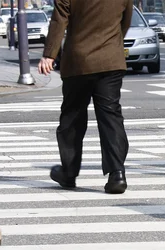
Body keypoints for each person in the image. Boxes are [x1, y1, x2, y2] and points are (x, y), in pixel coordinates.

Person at [38, 0, 133, 194]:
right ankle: (117, 173)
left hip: (78, 60)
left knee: (72, 117)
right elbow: (126, 20)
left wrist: (49, 54)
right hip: (111, 59)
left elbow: (59, 21)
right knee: (111, 116)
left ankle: (69, 172)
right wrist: (112, 43)